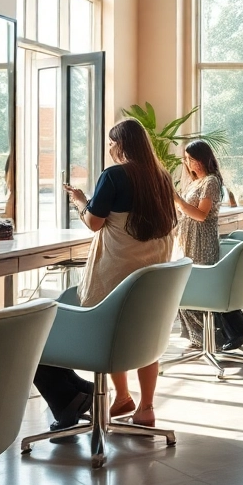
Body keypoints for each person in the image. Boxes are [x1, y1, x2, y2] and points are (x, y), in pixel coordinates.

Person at [35, 119, 176, 430]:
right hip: (151, 281)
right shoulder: (162, 178)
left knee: (108, 334)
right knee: (145, 337)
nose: (110, 148)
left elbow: (95, 223)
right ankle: (143, 405)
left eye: (112, 143)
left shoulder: (114, 176)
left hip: (118, 279)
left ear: (122, 145)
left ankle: (119, 393)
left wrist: (80, 200)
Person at [175, 140, 243, 350]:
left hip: (201, 242)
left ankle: (215, 336)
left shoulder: (211, 182)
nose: (188, 163)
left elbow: (201, 215)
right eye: (186, 159)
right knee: (192, 288)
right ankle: (216, 335)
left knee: (197, 288)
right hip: (188, 240)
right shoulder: (195, 183)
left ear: (202, 159)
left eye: (191, 159)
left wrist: (177, 200)